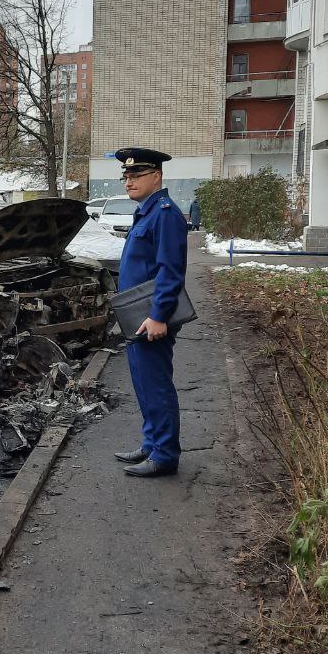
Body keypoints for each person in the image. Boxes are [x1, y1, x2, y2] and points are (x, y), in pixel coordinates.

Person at [113, 147, 189, 478]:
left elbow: (170, 272)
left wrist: (159, 316)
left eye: (136, 175)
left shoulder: (165, 214)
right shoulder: (147, 211)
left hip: (151, 318)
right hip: (137, 317)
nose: (129, 181)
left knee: (156, 385)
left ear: (156, 176)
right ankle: (151, 443)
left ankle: (165, 454)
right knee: (145, 385)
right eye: (126, 176)